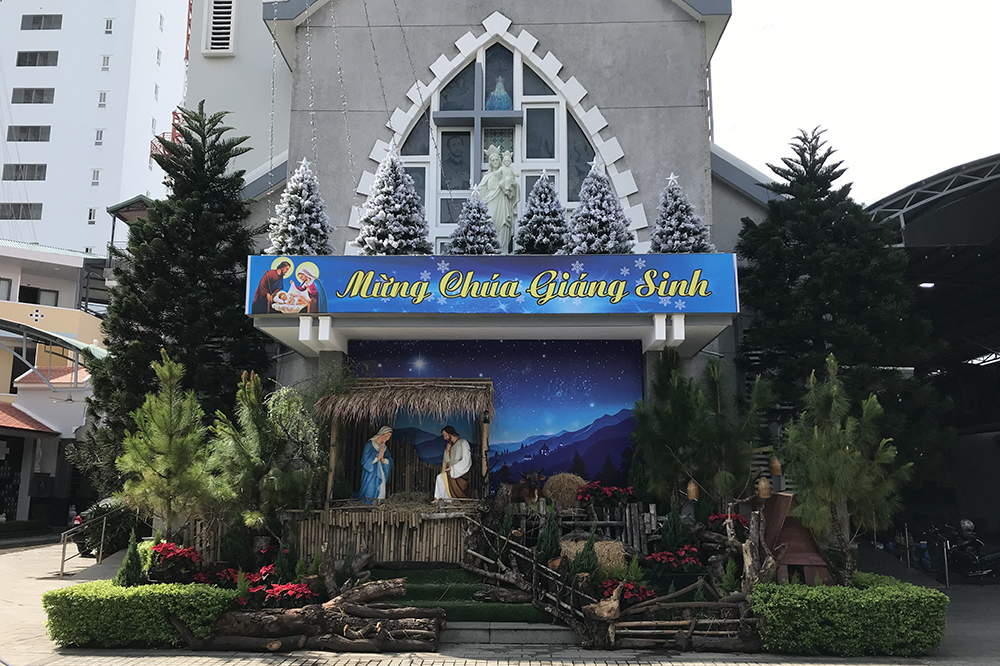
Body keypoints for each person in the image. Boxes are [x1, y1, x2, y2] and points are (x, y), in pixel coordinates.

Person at [480, 145, 518, 253]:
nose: (495, 161)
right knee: (491, 223)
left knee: (504, 225)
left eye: (497, 159)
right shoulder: (486, 176)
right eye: (493, 160)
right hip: (491, 203)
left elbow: (513, 188)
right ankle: (492, 250)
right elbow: (481, 191)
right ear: (490, 162)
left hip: (504, 202)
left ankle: (503, 250)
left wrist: (513, 186)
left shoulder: (505, 173)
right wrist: (475, 191)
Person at [433, 425, 472, 501]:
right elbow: (448, 461)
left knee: (440, 477)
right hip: (454, 472)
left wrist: (453, 468)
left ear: (450, 434)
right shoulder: (452, 446)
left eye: (445, 435)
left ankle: (441, 499)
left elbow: (467, 460)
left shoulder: (463, 442)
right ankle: (444, 499)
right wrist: (447, 451)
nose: (445, 438)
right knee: (441, 478)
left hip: (461, 474)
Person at [355, 425, 393, 504]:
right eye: (387, 436)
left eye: (389, 437)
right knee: (370, 488)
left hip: (380, 472)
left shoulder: (384, 448)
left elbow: (389, 460)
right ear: (382, 434)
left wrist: (383, 459)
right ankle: (368, 504)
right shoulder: (369, 445)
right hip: (370, 473)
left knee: (381, 488)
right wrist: (377, 458)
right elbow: (364, 461)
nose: (388, 438)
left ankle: (378, 503)